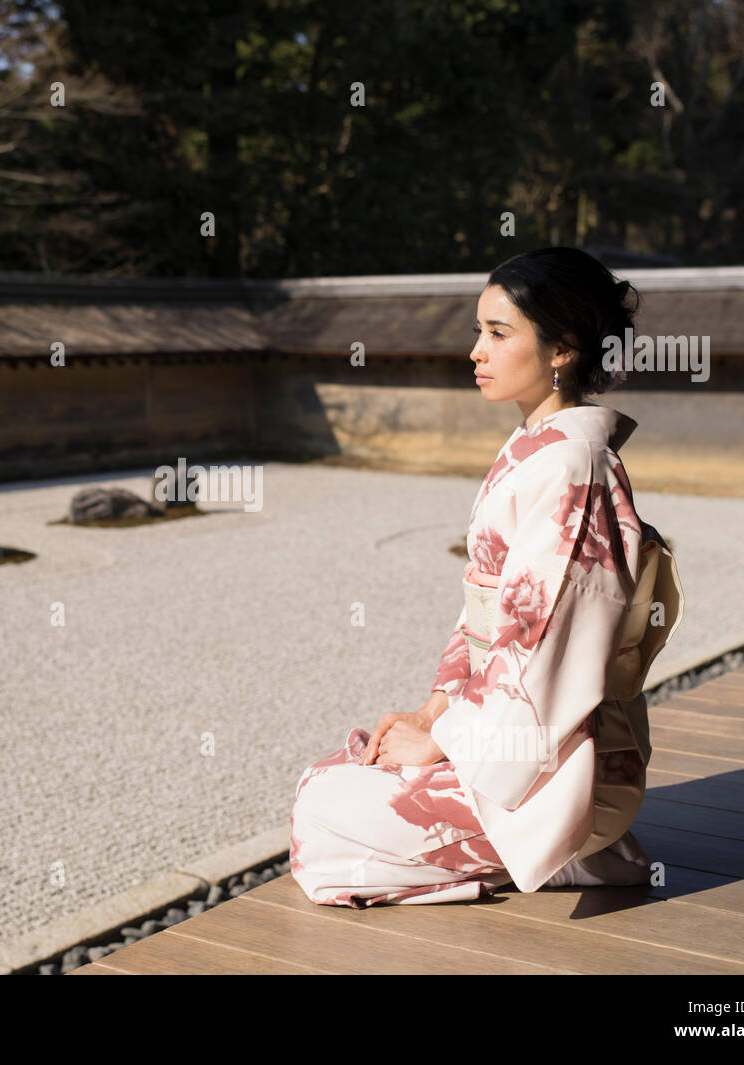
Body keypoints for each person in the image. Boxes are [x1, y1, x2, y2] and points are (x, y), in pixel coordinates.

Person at [289, 247, 685, 907]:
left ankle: (564, 847)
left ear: (563, 349)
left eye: (498, 334)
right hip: (506, 740)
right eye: (479, 330)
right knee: (335, 774)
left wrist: (444, 739)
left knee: (321, 813)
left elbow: (536, 656)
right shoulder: (535, 450)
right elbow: (483, 622)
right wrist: (431, 712)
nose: (477, 350)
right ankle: (542, 853)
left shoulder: (574, 467)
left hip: (564, 765)